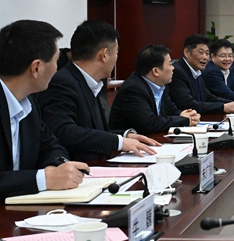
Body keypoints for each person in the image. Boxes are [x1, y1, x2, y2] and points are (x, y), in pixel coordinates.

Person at [40, 20, 160, 162]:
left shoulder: (93, 82)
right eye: (116, 52)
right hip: (78, 167)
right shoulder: (63, 82)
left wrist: (125, 136)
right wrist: (118, 142)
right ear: (104, 55)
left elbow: (95, 130)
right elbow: (63, 131)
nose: (116, 58)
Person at [0, 20, 90, 199]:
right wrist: (44, 179)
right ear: (36, 68)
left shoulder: (29, 105)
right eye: (56, 61)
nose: (57, 69)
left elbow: (51, 146)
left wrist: (55, 166)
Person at [109, 45, 200, 134]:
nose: (173, 68)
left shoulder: (161, 85)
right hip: (132, 141)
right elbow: (149, 123)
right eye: (170, 64)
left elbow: (171, 111)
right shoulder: (133, 89)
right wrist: (183, 120)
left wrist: (187, 115)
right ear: (156, 71)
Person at [168, 34, 234, 115]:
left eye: (207, 53)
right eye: (201, 53)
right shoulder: (177, 72)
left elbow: (208, 97)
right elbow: (188, 104)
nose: (205, 57)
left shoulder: (197, 71)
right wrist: (223, 107)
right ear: (187, 52)